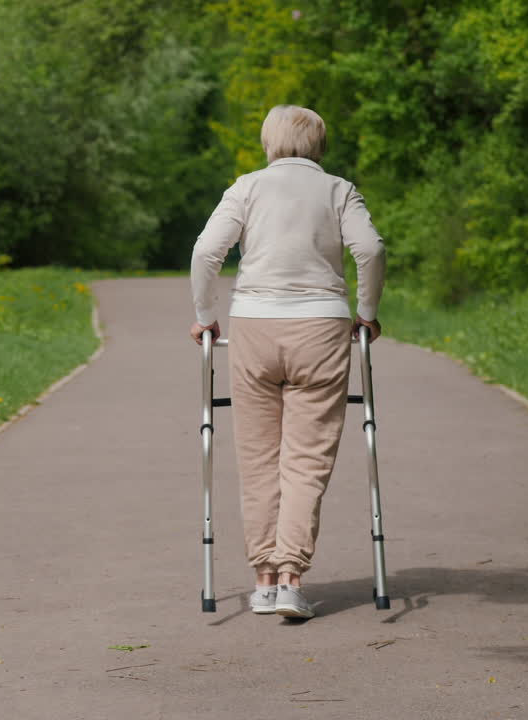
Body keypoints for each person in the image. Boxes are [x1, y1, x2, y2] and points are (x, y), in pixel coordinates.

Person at [188, 105, 386, 619]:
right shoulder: (339, 190)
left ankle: (263, 581)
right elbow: (370, 249)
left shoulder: (247, 187)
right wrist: (366, 313)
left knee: (257, 459)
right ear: (319, 144)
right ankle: (292, 578)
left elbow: (207, 251)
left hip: (253, 324)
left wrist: (205, 316)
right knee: (306, 460)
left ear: (268, 142)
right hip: (321, 328)